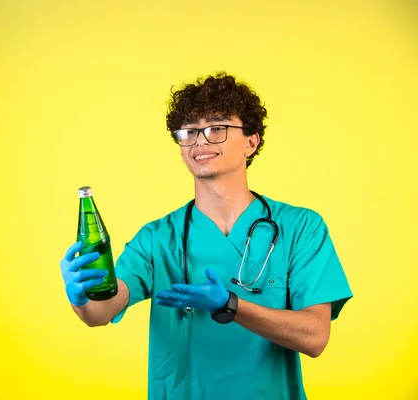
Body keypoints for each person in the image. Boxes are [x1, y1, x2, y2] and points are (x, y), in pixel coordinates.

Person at [60, 72, 353, 400]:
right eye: (189, 132)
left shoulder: (300, 228)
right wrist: (83, 296)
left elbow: (314, 337)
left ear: (251, 141)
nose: (200, 140)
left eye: (216, 128)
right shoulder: (158, 239)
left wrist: (230, 305)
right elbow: (100, 313)